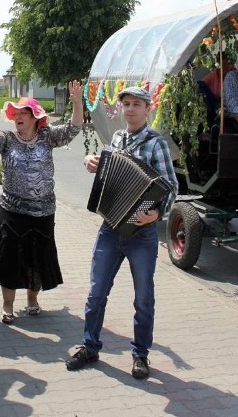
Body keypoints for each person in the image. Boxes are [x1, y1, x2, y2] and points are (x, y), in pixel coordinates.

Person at [66, 86, 178, 380]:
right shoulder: (117, 138)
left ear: (147, 108)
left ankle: (140, 354)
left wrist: (156, 214)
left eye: (136, 104)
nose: (130, 109)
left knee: (143, 298)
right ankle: (90, 346)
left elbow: (171, 187)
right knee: (96, 292)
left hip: (142, 234)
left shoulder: (156, 144)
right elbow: (110, 174)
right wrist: (93, 163)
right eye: (126, 104)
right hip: (111, 227)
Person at [0, 82, 84, 324]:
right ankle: (7, 305)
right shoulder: (8, 139)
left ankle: (33, 299)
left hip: (43, 210)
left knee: (37, 256)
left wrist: (77, 103)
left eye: (24, 113)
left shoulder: (47, 136)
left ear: (36, 118)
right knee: (10, 257)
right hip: (12, 210)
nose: (18, 117)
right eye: (16, 114)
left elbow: (74, 128)